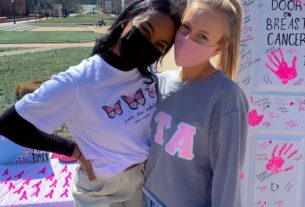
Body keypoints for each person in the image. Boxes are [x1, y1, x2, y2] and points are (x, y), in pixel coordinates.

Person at [0, 0, 180, 206]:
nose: (149, 44)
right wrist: (72, 150)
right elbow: (10, 124)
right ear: (126, 22)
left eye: (160, 45)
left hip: (143, 183)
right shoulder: (78, 81)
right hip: (100, 191)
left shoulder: (148, 75)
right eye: (146, 31)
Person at [143, 0, 248, 206]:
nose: (187, 39)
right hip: (147, 196)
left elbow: (227, 180)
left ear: (218, 48)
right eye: (186, 27)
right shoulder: (161, 82)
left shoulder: (226, 98)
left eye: (202, 36)